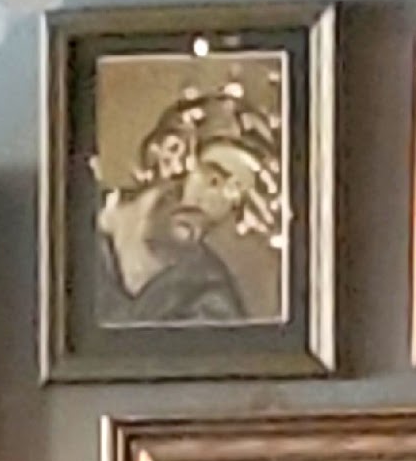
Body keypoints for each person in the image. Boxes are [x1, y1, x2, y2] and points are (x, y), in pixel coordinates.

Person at [94, 82, 283, 326]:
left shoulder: (210, 301)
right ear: (170, 152)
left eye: (235, 197)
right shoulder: (62, 223)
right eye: (214, 178)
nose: (218, 205)